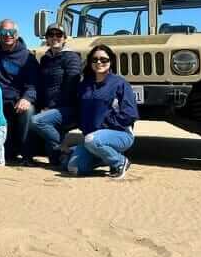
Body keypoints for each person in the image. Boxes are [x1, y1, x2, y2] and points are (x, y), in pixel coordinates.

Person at [62, 45, 138, 179]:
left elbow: (130, 114)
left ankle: (120, 162)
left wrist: (104, 125)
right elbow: (79, 112)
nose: (99, 63)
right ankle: (104, 158)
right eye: (95, 59)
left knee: (92, 140)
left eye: (104, 60)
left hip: (120, 134)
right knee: (73, 168)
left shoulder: (120, 83)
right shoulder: (84, 85)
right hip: (92, 138)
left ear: (111, 62)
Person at [0, 19, 39, 165]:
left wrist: (27, 98)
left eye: (11, 32)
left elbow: (33, 84)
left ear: (17, 34)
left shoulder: (27, 57)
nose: (7, 35)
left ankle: (27, 156)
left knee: (28, 110)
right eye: (3, 32)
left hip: (17, 100)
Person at [29, 24, 82, 166]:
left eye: (58, 35)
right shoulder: (46, 58)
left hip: (67, 107)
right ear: (46, 38)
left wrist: (51, 107)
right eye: (51, 35)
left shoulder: (72, 57)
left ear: (64, 38)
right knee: (55, 161)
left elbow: (71, 87)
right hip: (51, 108)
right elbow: (43, 85)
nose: (55, 38)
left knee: (36, 121)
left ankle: (65, 148)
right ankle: (67, 156)